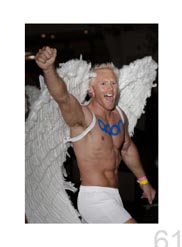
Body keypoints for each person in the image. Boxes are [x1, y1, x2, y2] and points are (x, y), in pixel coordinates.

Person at [35, 46, 156, 223]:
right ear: (91, 90)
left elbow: (127, 149)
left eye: (113, 83)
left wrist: (143, 182)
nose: (110, 88)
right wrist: (48, 69)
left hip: (114, 196)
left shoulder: (120, 115)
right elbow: (62, 96)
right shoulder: (82, 116)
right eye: (104, 83)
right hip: (94, 199)